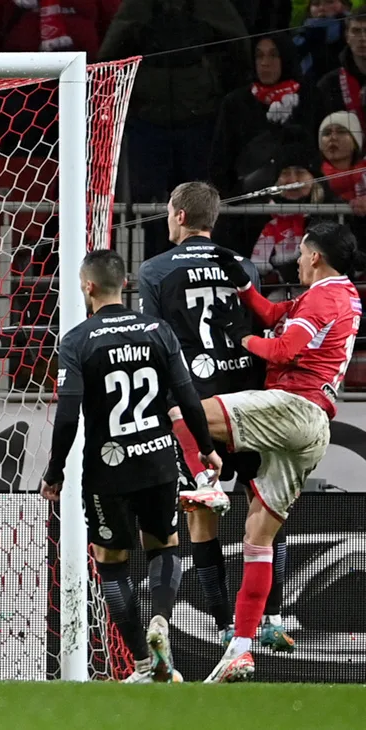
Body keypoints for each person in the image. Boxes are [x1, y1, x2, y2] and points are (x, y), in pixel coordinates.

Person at [42, 248, 221, 684]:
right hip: (159, 458)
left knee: (111, 560)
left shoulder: (78, 340)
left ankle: (143, 662)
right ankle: (161, 618)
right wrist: (205, 448)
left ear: (88, 286)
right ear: (124, 283)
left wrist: (55, 471)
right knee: (164, 544)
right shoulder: (158, 330)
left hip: (109, 467)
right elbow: (187, 396)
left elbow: (67, 416)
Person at [202, 220, 363, 683]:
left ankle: (203, 481)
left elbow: (283, 350)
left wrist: (242, 340)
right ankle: (242, 649)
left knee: (184, 412)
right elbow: (275, 314)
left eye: (301, 253)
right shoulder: (338, 294)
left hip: (293, 406)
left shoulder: (325, 296)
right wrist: (243, 287)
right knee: (257, 541)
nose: (295, 262)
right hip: (314, 426)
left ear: (315, 256)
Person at [138, 182, 294, 654]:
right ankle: (270, 618)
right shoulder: (244, 265)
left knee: (202, 518)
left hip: (197, 409)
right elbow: (260, 324)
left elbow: (155, 344)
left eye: (168, 210)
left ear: (180, 216)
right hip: (249, 402)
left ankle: (227, 626)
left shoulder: (154, 270)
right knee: (265, 508)